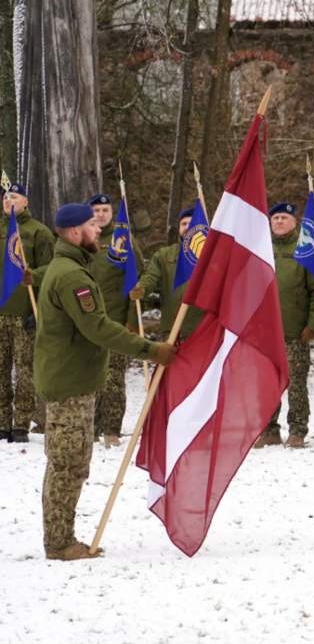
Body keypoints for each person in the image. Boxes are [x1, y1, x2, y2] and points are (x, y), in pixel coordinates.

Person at [34, 203, 175, 561]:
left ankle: (59, 537)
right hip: (70, 383)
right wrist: (150, 349)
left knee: (70, 462)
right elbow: (96, 327)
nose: (99, 229)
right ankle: (59, 542)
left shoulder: (72, 267)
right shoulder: (71, 276)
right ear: (74, 232)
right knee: (69, 464)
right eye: (91, 225)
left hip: (71, 378)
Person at [254, 202, 314, 449]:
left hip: (295, 332)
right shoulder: (260, 251)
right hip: (265, 334)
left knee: (296, 384)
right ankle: (270, 430)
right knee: (267, 385)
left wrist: (313, 325)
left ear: (295, 222)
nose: (280, 222)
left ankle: (297, 430)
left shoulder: (305, 251)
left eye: (285, 217)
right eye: (276, 218)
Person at [88, 192, 143, 448]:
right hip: (86, 323)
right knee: (88, 378)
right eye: (96, 211)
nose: (100, 215)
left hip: (115, 322)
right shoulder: (82, 239)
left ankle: (111, 430)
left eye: (105, 211)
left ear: (112, 213)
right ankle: (92, 428)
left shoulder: (123, 240)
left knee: (113, 380)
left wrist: (131, 322)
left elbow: (137, 283)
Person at [0, 182, 54, 442]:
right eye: (5, 197)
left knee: (24, 372)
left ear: (26, 202)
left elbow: (50, 273)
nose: (8, 201)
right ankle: (2, 421)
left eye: (14, 197)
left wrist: (39, 310)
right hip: (0, 313)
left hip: (24, 314)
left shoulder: (39, 232)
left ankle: (20, 422)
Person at [129, 206, 205, 340]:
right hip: (172, 333)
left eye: (192, 223)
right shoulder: (164, 255)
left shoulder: (214, 256)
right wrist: (141, 287)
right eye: (184, 224)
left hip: (205, 333)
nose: (187, 227)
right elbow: (151, 276)